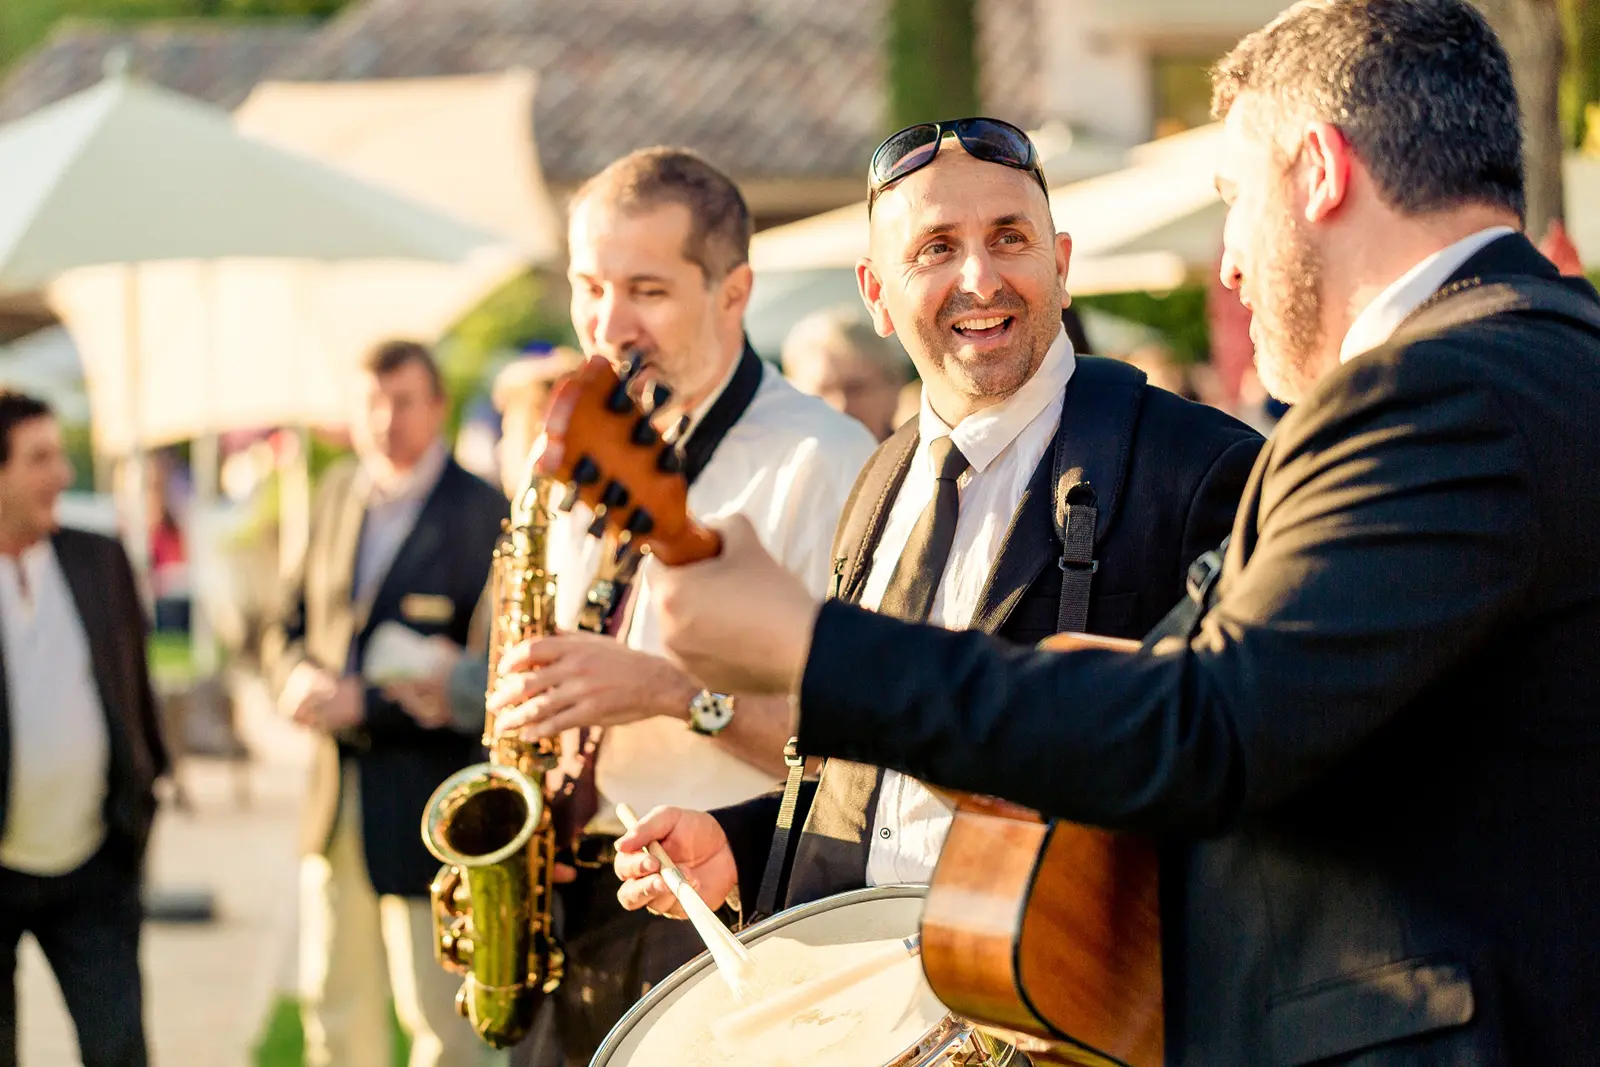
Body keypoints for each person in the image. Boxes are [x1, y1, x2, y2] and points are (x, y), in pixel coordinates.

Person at [625, 3, 1600, 1064]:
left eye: (1233, 198)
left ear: (1317, 172)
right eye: (934, 248)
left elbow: (1203, 731)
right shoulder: (1535, 362)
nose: (1227, 263)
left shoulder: (1434, 395)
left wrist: (806, 647)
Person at [610, 114, 1257, 963]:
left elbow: (1219, 778)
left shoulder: (1203, 468)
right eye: (936, 248)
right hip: (859, 1010)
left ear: (1061, 266)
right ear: (876, 294)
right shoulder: (878, 480)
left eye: (1009, 237)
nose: (981, 278)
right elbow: (869, 785)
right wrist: (744, 845)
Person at [481, 147, 877, 1061]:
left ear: (732, 292)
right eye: (589, 287)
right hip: (566, 906)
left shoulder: (822, 461)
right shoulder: (576, 449)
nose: (607, 326)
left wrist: (668, 691)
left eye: (647, 291)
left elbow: (859, 752)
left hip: (727, 923)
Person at [262, 340, 509, 1067]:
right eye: (371, 401)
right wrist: (293, 676)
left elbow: (488, 675)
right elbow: (286, 622)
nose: (385, 418)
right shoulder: (337, 491)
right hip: (335, 800)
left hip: (430, 808)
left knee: (443, 1020)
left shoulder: (481, 509)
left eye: (402, 400)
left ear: (436, 406)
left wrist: (363, 702)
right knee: (335, 1010)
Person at [0, 391, 168, 1067]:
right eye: (39, 458)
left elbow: (135, 691)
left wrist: (147, 788)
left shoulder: (100, 560)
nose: (62, 475)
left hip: (95, 862)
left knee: (118, 1047)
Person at [781, 305, 910, 440]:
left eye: (855, 389)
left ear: (893, 389)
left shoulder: (925, 459)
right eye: (824, 391)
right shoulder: (771, 458)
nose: (841, 407)